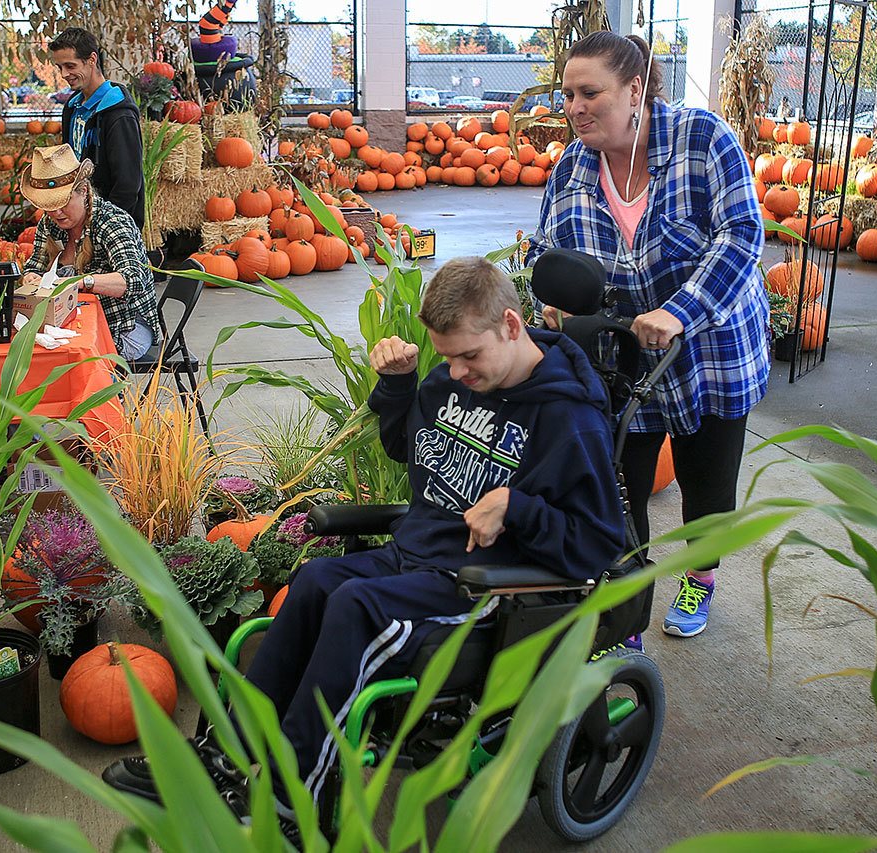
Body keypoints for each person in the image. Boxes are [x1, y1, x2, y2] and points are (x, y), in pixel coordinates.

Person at [102, 256, 626, 834]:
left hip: (481, 587)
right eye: (445, 356)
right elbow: (414, 450)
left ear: (511, 325)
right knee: (315, 581)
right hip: (417, 557)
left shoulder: (568, 420)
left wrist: (518, 508)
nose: (454, 372)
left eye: (467, 356)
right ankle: (223, 756)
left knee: (354, 607)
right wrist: (400, 385)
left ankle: (289, 800)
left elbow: (598, 546)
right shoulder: (460, 378)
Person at [530, 31, 769, 640]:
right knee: (620, 485)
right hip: (622, 356)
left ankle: (699, 577)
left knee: (706, 487)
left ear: (634, 90)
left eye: (591, 93)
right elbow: (545, 252)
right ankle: (628, 606)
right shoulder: (571, 170)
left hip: (709, 348)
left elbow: (741, 234)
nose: (576, 107)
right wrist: (549, 306)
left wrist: (681, 311)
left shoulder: (702, 139)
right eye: (569, 95)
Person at [19, 145, 159, 361]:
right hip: (73, 319)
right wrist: (31, 278)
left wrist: (83, 281)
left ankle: (100, 393)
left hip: (125, 327)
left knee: (72, 359)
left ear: (83, 191)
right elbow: (33, 266)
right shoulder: (50, 224)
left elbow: (133, 280)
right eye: (49, 205)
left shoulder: (112, 222)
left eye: (63, 203)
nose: (56, 212)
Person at [49, 27, 144, 229]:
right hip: (78, 221)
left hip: (111, 226)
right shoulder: (72, 108)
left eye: (70, 66)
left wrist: (106, 227)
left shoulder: (118, 113)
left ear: (92, 59)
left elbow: (127, 184)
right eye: (60, 67)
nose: (64, 74)